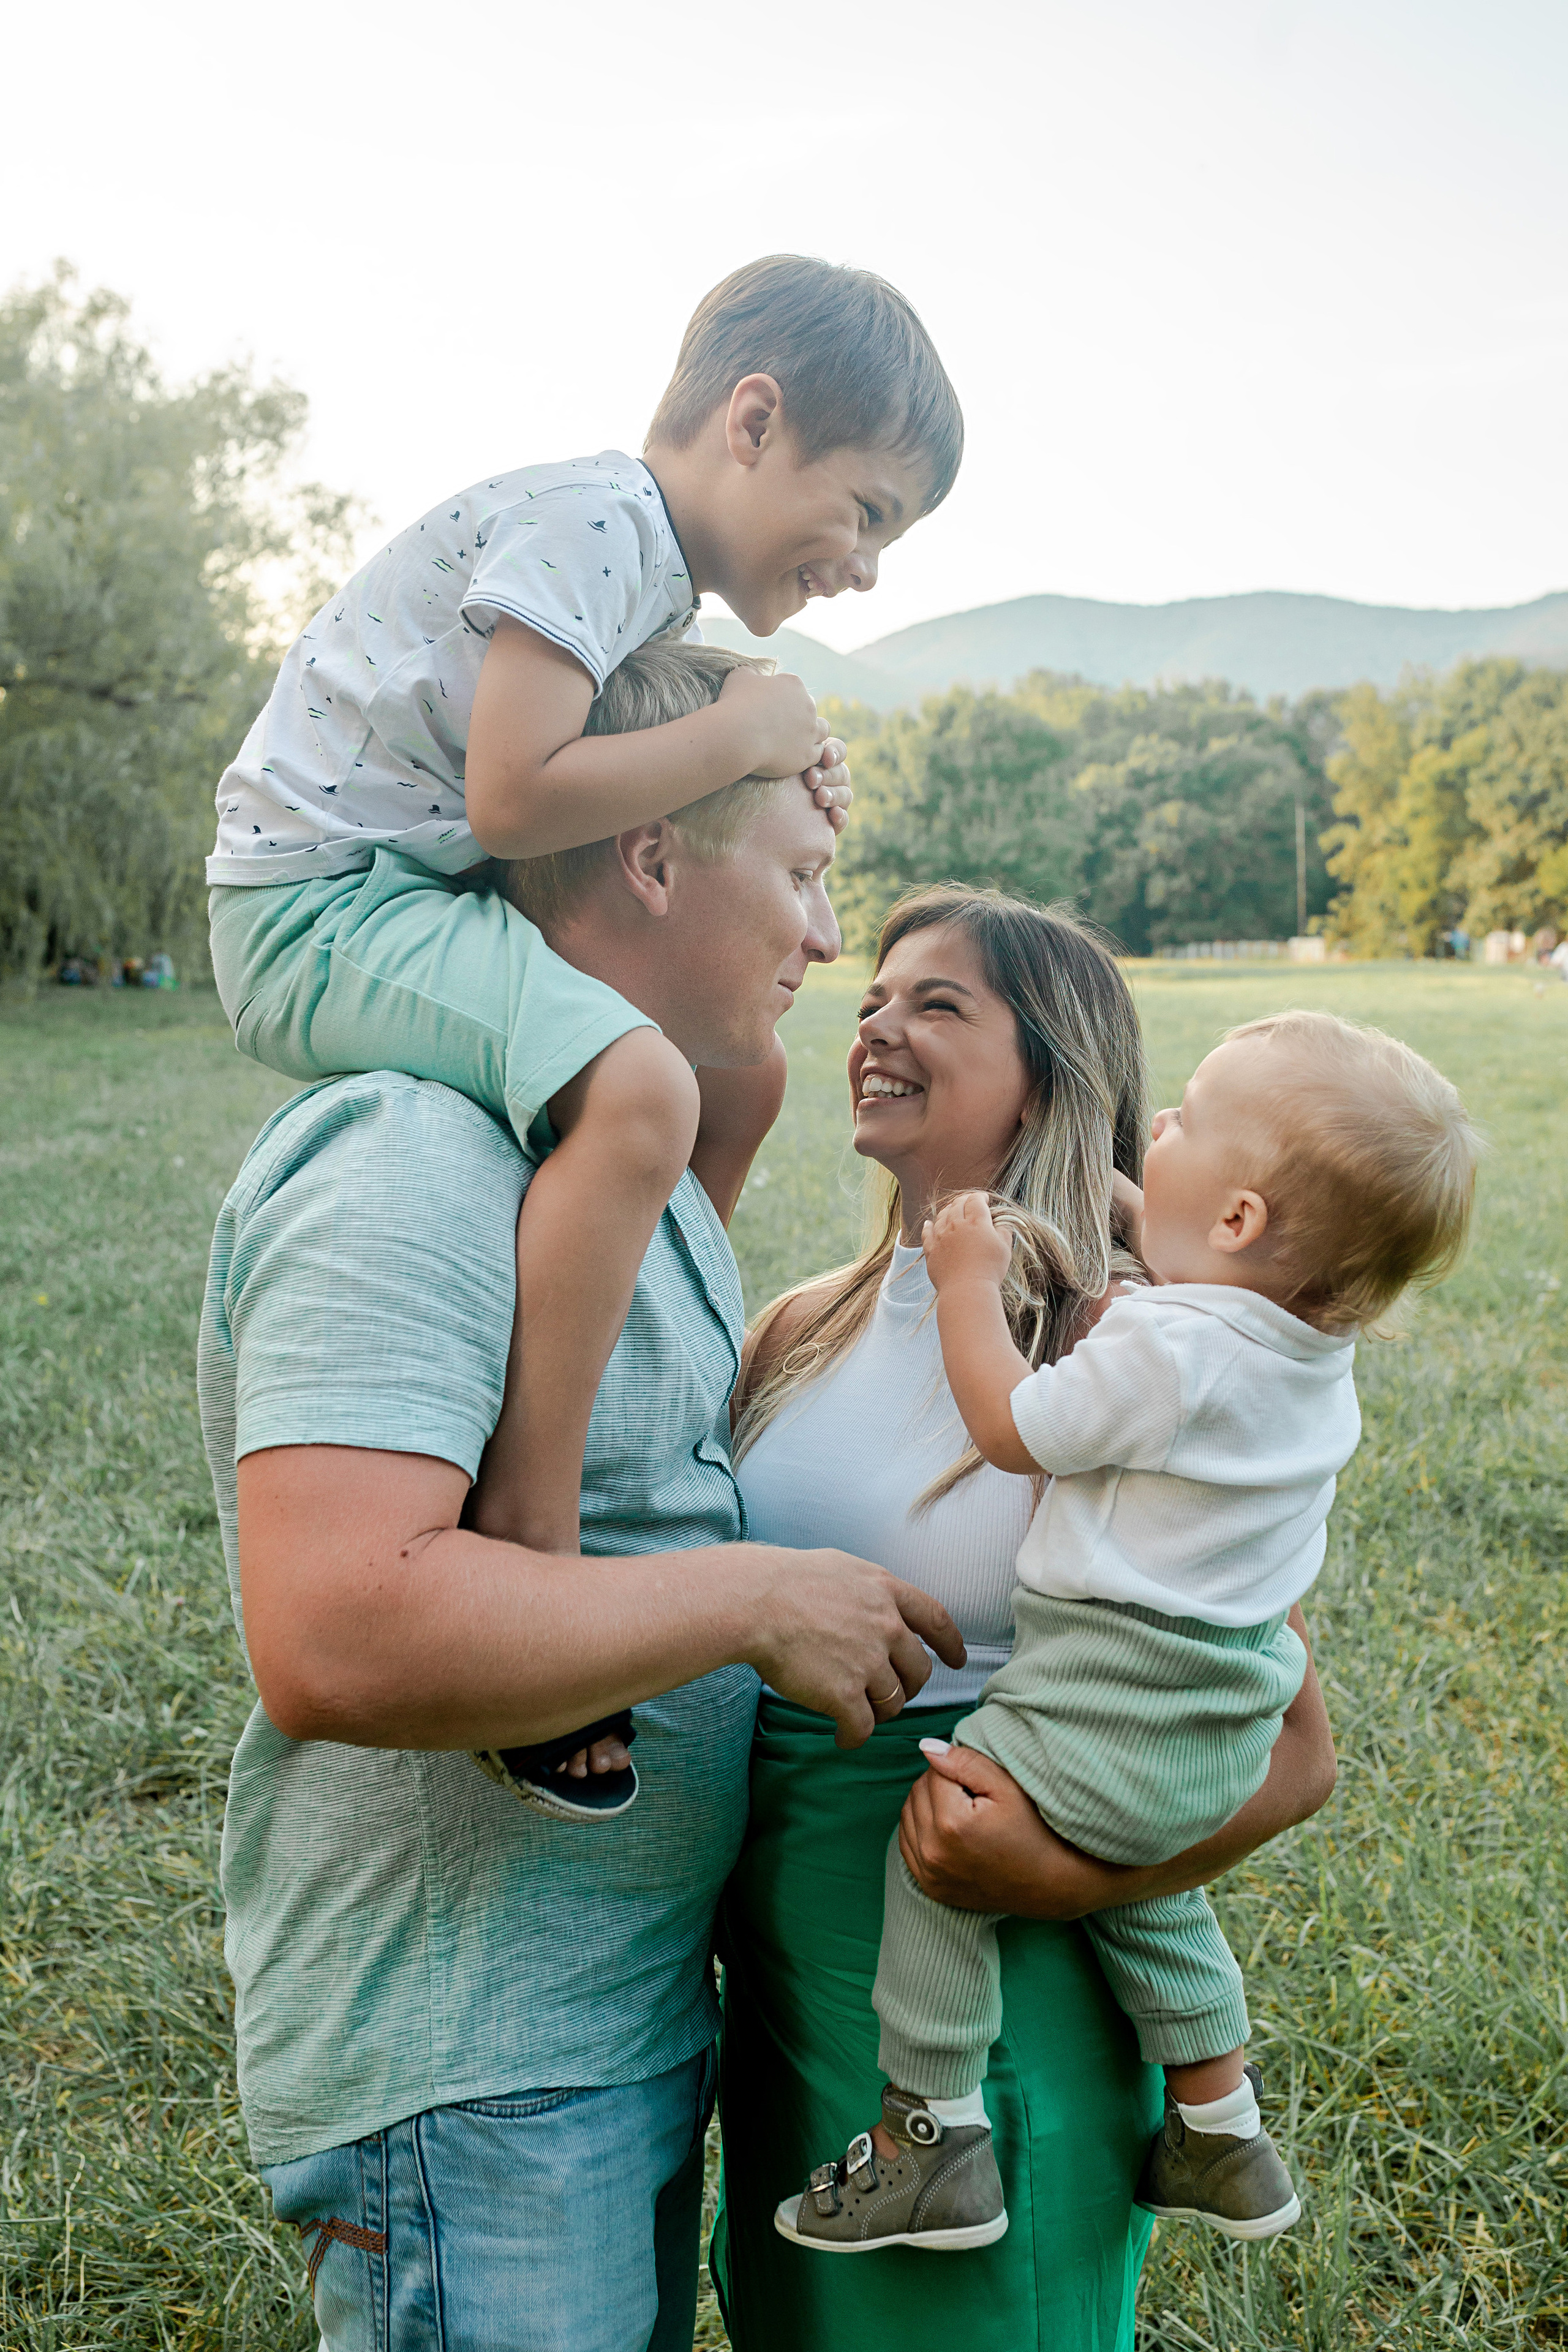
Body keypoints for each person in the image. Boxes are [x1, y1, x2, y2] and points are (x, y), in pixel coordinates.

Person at [198, 670, 966, 2352]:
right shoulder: (411, 1156)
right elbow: (336, 1630)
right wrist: (758, 1602)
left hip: (595, 2039)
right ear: (651, 859)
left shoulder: (611, 1170)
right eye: (799, 875)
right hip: (472, 2069)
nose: (828, 936)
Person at [205, 258, 963, 1804]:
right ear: (753, 419)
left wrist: (768, 777)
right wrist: (743, 730)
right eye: (868, 513)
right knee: (637, 1086)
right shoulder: (596, 523)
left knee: (727, 1084)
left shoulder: (638, 576)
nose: (868, 569)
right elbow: (512, 799)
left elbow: (615, 769)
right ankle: (534, 1527)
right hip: (317, 904)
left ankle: (649, 1369)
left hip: (400, 880)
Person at [712, 888, 1341, 2349]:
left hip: (1004, 1971)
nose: (877, 1024)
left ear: (1051, 1073)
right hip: (796, 1969)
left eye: (938, 1005)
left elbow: (1290, 1753)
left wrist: (1061, 1874)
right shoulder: (795, 1325)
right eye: (876, 994)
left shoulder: (1132, 1350)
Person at [778, 1006, 1480, 2258]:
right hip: (1216, 1711)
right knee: (1145, 1893)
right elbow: (1198, 1282)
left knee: (933, 1856)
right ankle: (1219, 2122)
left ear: (1240, 1224)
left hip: (1109, 1683)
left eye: (1188, 1120)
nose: (1157, 1127)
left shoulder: (1162, 1347)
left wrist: (965, 1288)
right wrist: (1126, 1205)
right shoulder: (1302, 1352)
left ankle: (928, 2139)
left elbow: (1010, 1426)